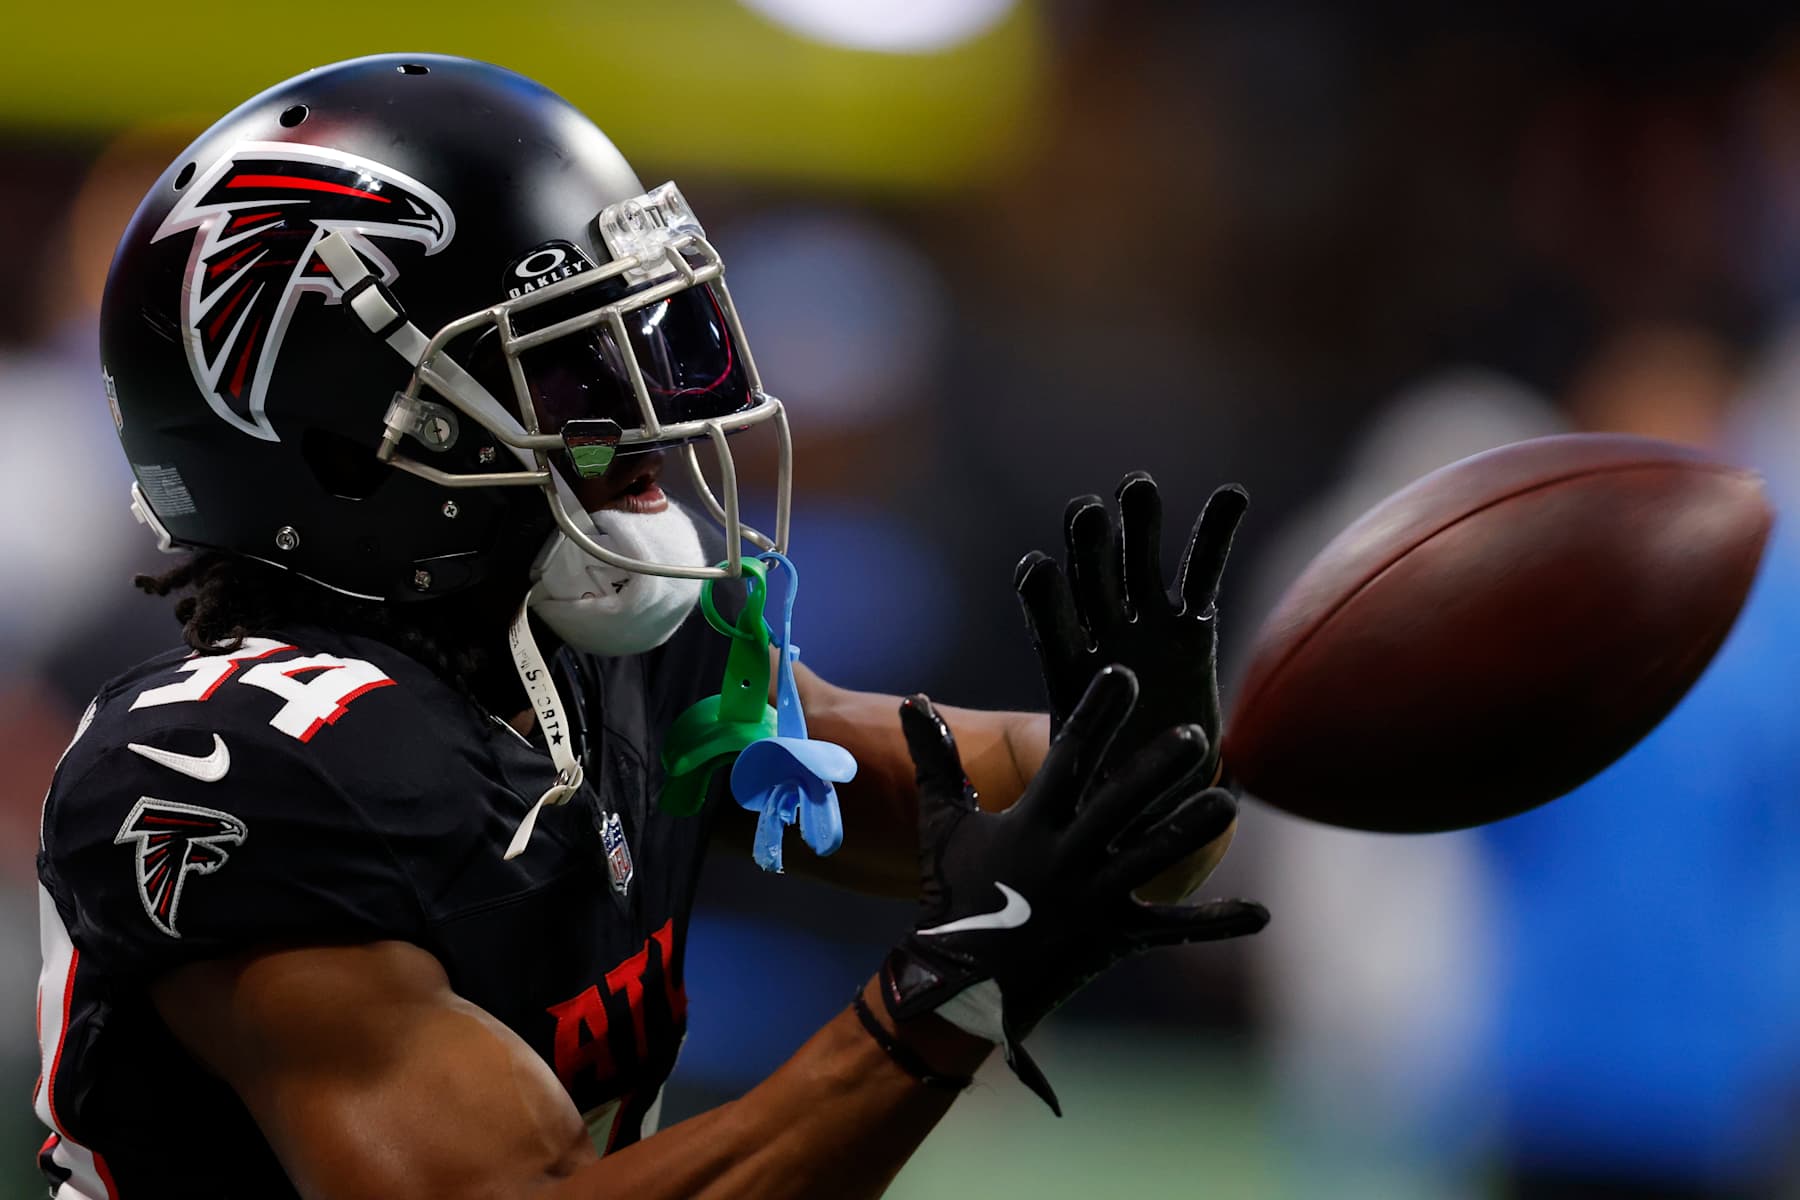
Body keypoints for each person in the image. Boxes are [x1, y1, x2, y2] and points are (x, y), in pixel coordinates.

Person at [33, 54, 1266, 1198]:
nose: (653, 412)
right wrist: (955, 994)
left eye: (643, 338)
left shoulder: (581, 653)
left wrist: (1154, 755)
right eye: (569, 373)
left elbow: (1036, 811)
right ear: (348, 447)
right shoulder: (245, 772)